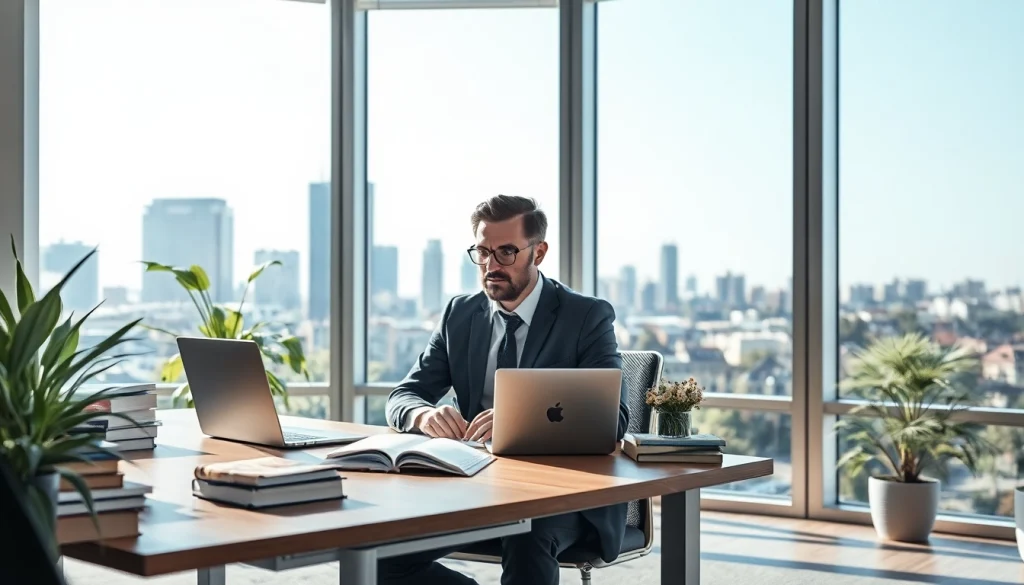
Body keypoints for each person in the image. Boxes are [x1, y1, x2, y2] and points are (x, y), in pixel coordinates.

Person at [383, 195, 629, 585]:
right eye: (482, 252)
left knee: (525, 534)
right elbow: (403, 397)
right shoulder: (459, 314)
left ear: (539, 252)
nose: (491, 266)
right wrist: (424, 414)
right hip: (473, 486)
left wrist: (520, 421)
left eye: (506, 252)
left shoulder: (586, 316)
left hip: (561, 495)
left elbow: (612, 420)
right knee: (380, 553)